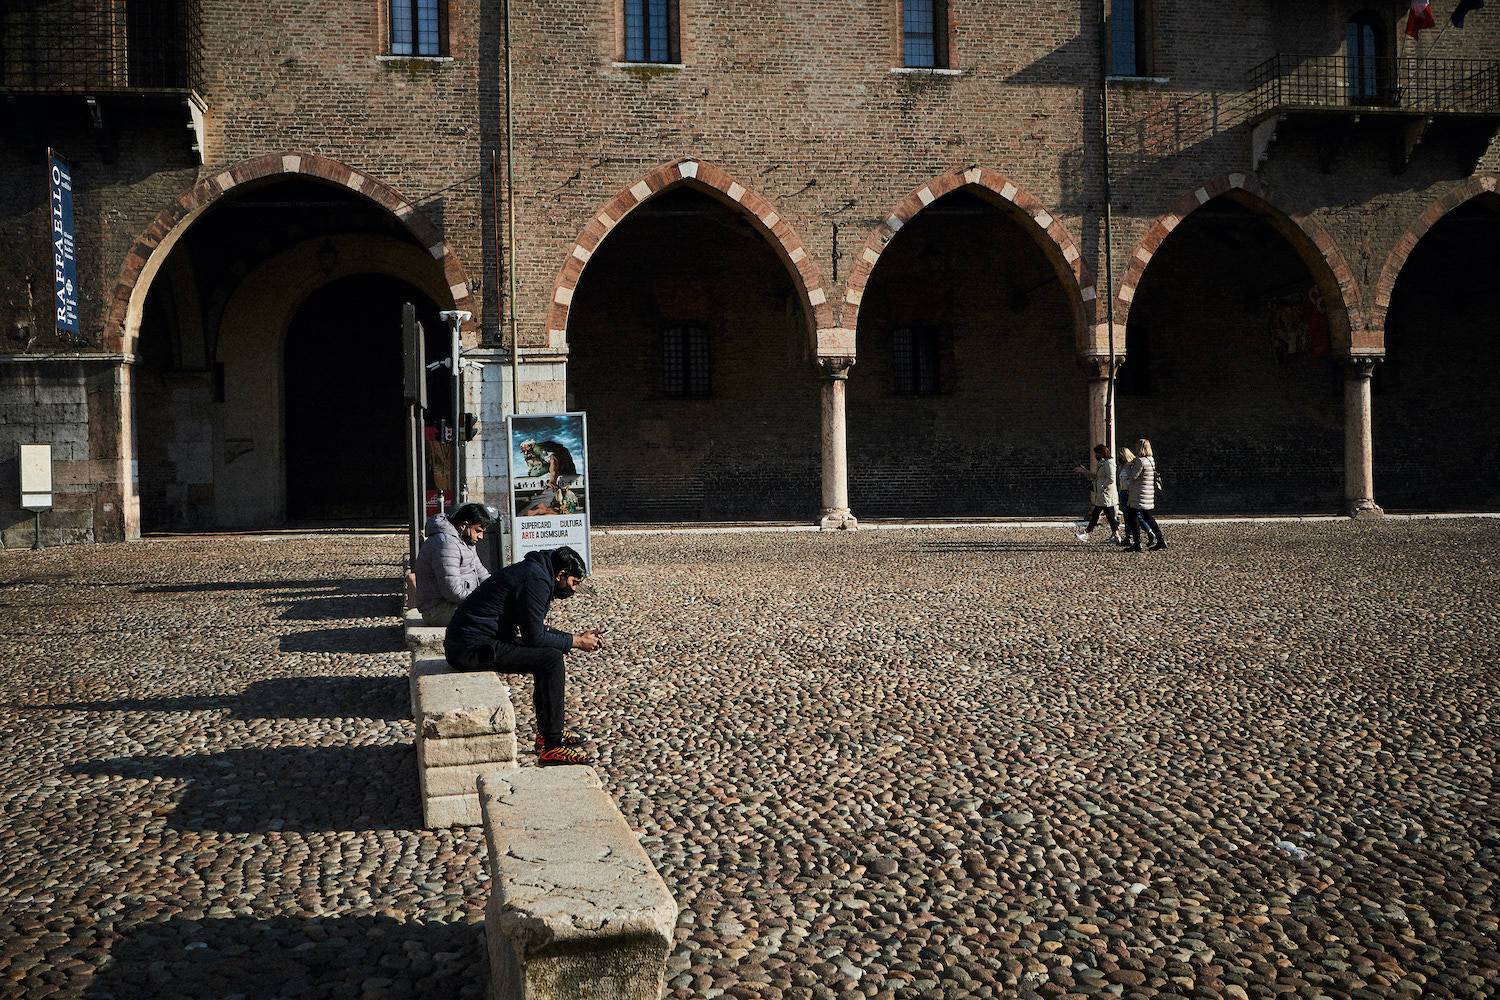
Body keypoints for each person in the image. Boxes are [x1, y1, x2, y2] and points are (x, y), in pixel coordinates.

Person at [444, 545, 603, 766]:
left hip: (475, 642)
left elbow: (534, 629)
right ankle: (552, 746)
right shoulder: (536, 580)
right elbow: (534, 637)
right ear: (560, 574)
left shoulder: (536, 571)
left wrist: (575, 637)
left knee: (549, 654)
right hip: (471, 649)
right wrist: (576, 642)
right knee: (550, 660)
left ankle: (547, 734)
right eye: (573, 583)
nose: (573, 590)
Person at [413, 503, 496, 625]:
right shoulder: (446, 545)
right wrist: (482, 598)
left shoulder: (465, 540)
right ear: (464, 525)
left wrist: (497, 590)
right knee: (494, 614)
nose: (481, 537)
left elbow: (481, 573)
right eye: (478, 531)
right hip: (438, 610)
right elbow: (452, 591)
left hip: (460, 603)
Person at [1121, 438, 1166, 552]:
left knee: (1133, 517)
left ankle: (1137, 543)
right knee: (1148, 517)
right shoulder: (1151, 460)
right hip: (1147, 494)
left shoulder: (1140, 461)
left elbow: (1133, 476)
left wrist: (1128, 466)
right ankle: (1160, 540)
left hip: (1138, 495)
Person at [1073, 444, 1123, 544]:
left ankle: (1086, 533)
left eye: (1097, 453)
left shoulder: (1109, 463)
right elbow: (1097, 477)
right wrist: (1085, 471)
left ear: (1102, 453)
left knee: (1099, 515)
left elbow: (1111, 479)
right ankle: (1116, 535)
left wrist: (1101, 486)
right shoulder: (1102, 463)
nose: (1096, 455)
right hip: (1102, 495)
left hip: (1106, 494)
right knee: (1105, 516)